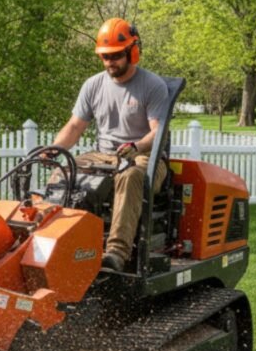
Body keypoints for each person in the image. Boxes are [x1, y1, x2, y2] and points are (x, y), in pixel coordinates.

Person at [50, 17, 169, 272]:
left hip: (146, 157)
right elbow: (74, 127)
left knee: (130, 176)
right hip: (105, 156)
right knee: (61, 173)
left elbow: (158, 133)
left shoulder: (152, 85)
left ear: (132, 52)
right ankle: (56, 242)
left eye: (115, 56)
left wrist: (136, 146)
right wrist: (53, 150)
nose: (109, 62)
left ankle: (116, 252)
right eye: (104, 57)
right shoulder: (93, 85)